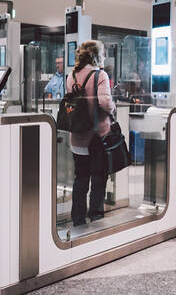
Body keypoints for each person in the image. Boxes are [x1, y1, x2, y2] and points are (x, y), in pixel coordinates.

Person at [66, 40, 115, 226]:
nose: (104, 56)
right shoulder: (100, 75)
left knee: (81, 178)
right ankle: (95, 216)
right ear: (96, 56)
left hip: (77, 135)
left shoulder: (72, 76)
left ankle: (78, 218)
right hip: (97, 135)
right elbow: (104, 102)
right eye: (103, 53)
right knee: (98, 177)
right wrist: (113, 106)